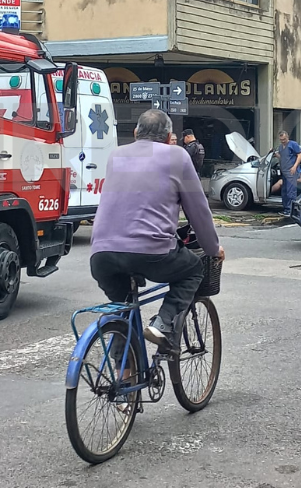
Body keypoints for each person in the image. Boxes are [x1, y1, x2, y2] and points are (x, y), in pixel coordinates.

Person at [90, 109, 225, 350]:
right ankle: (162, 322)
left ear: (135, 134)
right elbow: (199, 212)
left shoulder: (116, 156)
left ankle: (125, 375)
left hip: (101, 255)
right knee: (194, 269)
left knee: (124, 308)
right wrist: (213, 248)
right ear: (168, 137)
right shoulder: (178, 157)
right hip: (151, 251)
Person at [276, 130, 301, 216]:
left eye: (284, 139)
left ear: (287, 137)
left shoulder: (293, 144)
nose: (283, 141)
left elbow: (300, 155)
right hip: (284, 172)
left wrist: (294, 167)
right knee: (284, 191)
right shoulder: (280, 147)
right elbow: (282, 157)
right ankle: (286, 209)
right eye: (281, 140)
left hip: (291, 171)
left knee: (291, 191)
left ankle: (291, 210)